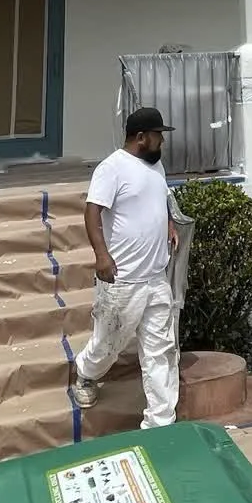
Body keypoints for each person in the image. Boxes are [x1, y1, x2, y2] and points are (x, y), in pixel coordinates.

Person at [71, 107, 182, 427]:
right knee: (108, 345)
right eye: (158, 135)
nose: (162, 141)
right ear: (140, 137)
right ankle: (86, 373)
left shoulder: (155, 165)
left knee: (161, 350)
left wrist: (169, 223)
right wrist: (101, 256)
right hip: (122, 279)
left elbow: (159, 200)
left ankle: (160, 422)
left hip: (155, 277)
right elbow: (92, 213)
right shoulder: (112, 168)